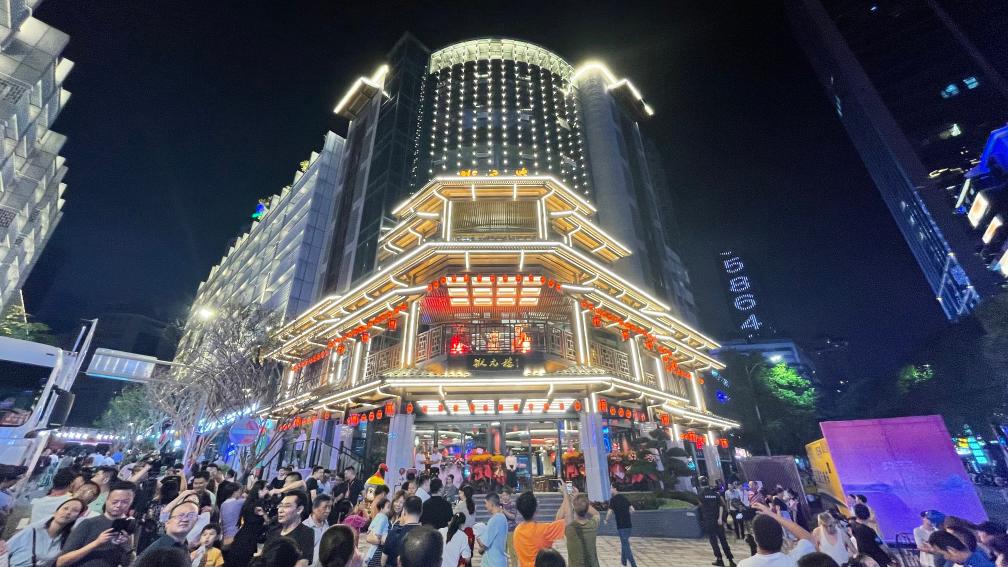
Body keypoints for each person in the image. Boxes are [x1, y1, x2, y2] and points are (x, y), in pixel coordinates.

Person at [57, 481, 136, 567]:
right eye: (115, 501)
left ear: (131, 503)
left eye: (125, 502)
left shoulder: (128, 527)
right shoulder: (89, 523)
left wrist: (127, 547)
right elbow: (61, 562)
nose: (118, 505)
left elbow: (128, 564)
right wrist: (96, 543)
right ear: (107, 500)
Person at [6, 498, 83, 567]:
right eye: (65, 508)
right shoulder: (32, 530)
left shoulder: (65, 540)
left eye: (75, 511)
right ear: (55, 512)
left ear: (78, 517)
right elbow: (6, 550)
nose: (68, 512)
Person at [513, 490, 569, 567]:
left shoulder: (517, 531)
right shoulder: (543, 530)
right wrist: (566, 495)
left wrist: (565, 500)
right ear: (536, 509)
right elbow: (569, 521)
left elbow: (558, 521)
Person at [266, 491, 315, 567]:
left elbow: (302, 563)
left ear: (299, 509)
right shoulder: (273, 531)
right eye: (280, 506)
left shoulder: (306, 533)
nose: (280, 510)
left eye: (286, 506)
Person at [225, 485, 269, 567]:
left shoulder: (246, 503)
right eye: (266, 488)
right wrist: (264, 515)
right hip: (249, 540)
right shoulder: (258, 504)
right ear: (259, 491)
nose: (268, 491)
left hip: (241, 537)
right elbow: (268, 523)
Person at [700, 477, 736, 567]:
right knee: (723, 540)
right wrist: (720, 518)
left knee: (713, 541)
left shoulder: (701, 494)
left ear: (700, 484)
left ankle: (719, 559)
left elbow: (701, 506)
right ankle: (731, 560)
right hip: (718, 520)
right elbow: (721, 505)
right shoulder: (715, 494)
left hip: (709, 521)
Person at [563, 491, 601, 567]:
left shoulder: (570, 528)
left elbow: (563, 516)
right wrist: (580, 500)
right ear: (587, 509)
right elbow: (596, 513)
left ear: (574, 509)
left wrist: (566, 496)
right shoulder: (593, 524)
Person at [384, 496, 423, 567]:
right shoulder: (427, 536)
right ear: (421, 512)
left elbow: (383, 560)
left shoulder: (394, 533)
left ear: (404, 511)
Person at [606, 485, 637, 567]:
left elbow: (609, 512)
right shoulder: (624, 498)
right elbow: (633, 510)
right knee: (624, 543)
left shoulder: (613, 500)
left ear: (615, 489)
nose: (610, 489)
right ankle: (623, 562)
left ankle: (634, 565)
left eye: (611, 488)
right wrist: (626, 514)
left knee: (626, 546)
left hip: (621, 526)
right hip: (629, 525)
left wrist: (606, 520)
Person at [930, 530, 995, 567]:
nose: (945, 558)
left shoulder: (979, 564)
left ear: (951, 550)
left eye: (943, 554)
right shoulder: (976, 555)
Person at [477, 492, 508, 567]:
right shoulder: (503, 517)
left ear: (491, 504)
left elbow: (484, 544)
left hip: (492, 562)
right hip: (500, 560)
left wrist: (477, 537)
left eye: (486, 503)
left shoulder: (494, 520)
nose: (485, 506)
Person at [304, 494, 333, 567]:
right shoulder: (304, 527)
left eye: (330, 507)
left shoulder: (327, 525)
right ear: (314, 509)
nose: (328, 511)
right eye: (325, 507)